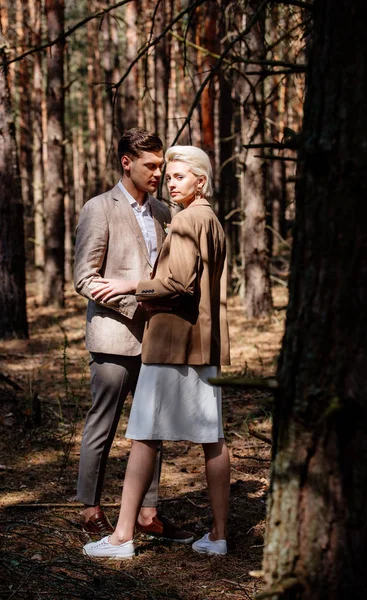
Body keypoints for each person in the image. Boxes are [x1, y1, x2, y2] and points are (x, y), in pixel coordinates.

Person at [82, 145, 231, 559]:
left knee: (144, 436)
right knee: (213, 439)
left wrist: (130, 287)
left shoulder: (185, 220)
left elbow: (178, 283)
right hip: (204, 343)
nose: (170, 182)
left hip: (171, 342)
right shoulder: (211, 220)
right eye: (169, 176)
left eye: (179, 176)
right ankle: (218, 536)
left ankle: (121, 537)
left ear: (200, 181)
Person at [74, 128, 194, 544]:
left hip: (156, 339)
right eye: (151, 165)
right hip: (112, 337)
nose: (159, 173)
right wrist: (133, 304)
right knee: (103, 423)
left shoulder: (164, 213)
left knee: (152, 426)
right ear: (127, 162)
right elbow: (85, 278)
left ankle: (147, 512)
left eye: (162, 166)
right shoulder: (98, 208)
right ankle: (90, 510)